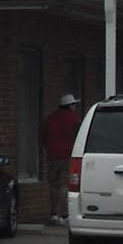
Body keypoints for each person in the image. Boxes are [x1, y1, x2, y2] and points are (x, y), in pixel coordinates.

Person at [40, 93, 82, 224]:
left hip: (52, 156)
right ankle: (64, 215)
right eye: (74, 104)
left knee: (53, 186)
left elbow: (43, 138)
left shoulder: (50, 118)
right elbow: (79, 137)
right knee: (64, 185)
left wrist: (49, 148)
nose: (75, 107)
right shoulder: (74, 119)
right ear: (69, 106)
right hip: (68, 156)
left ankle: (53, 214)